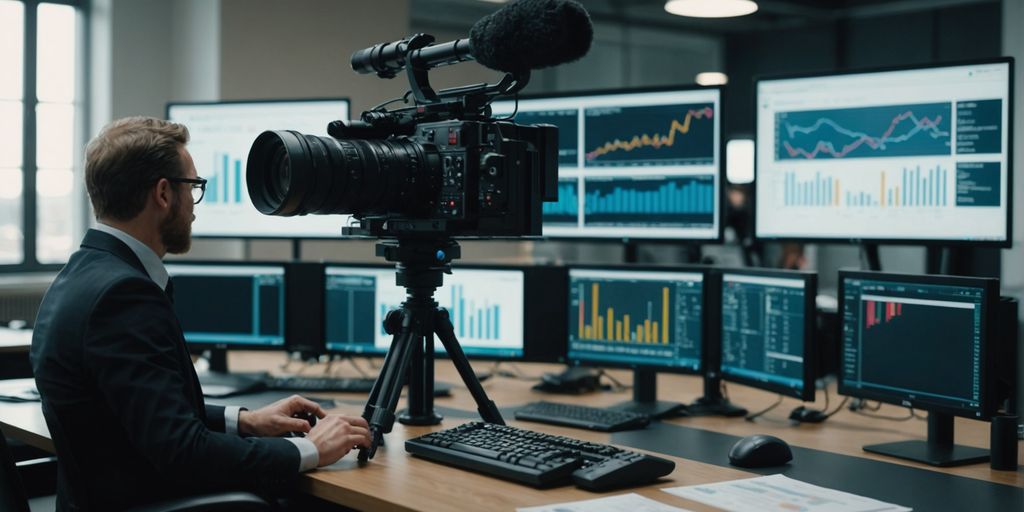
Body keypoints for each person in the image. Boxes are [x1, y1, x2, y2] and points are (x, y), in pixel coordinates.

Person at [31, 117, 370, 511]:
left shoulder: (82, 274)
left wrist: (243, 421)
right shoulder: (123, 296)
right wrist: (309, 449)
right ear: (163, 193)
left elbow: (142, 413)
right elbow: (182, 451)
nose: (194, 205)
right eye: (193, 188)